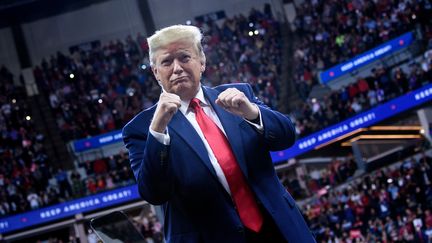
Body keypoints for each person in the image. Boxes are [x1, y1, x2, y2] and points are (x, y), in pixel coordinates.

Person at [122, 24, 315, 243]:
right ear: (156, 71)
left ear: (202, 61)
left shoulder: (239, 95)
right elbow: (153, 193)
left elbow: (287, 136)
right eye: (166, 62)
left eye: (185, 57)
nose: (176, 68)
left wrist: (252, 113)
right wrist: (157, 131)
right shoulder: (141, 128)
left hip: (280, 231)